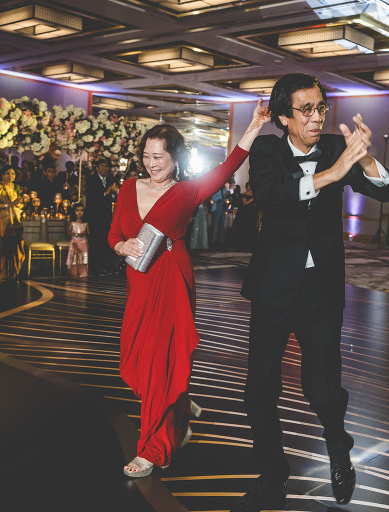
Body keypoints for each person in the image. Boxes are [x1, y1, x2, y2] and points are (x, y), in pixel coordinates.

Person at [234, 73, 389, 512]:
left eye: (321, 107)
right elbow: (270, 195)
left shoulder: (334, 147)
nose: (316, 117)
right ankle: (273, 474)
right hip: (273, 289)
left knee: (322, 388)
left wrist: (365, 160)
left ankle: (339, 448)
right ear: (283, 117)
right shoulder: (267, 150)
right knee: (259, 389)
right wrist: (334, 173)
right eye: (305, 109)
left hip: (320, 290)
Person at [108, 99, 269, 478]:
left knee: (160, 364)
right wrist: (121, 246)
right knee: (141, 360)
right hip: (138, 284)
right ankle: (179, 413)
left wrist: (254, 126)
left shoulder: (187, 191)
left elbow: (229, 166)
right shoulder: (128, 187)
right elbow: (113, 233)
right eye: (146, 156)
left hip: (171, 281)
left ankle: (152, 449)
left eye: (158, 157)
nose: (151, 163)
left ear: (175, 158)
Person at [0, 165, 25, 282]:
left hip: (15, 219)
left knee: (16, 244)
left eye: (13, 174)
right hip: (2, 220)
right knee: (2, 245)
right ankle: (1, 273)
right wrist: (9, 205)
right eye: (8, 173)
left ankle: (14, 272)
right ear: (3, 175)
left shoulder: (16, 187)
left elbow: (20, 202)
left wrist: (20, 203)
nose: (11, 176)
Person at [86, 157, 119, 275]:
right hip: (95, 216)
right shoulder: (91, 180)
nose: (104, 168)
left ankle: (106, 267)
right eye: (102, 166)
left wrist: (114, 193)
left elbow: (113, 198)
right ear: (97, 168)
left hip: (107, 216)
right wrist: (106, 192)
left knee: (106, 242)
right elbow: (92, 198)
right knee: (95, 242)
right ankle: (95, 269)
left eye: (106, 166)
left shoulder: (111, 179)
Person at [228, 181, 257, 250]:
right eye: (248, 186)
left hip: (252, 213)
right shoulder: (244, 194)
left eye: (250, 186)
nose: (249, 187)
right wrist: (252, 199)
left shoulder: (254, 194)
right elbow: (245, 203)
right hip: (245, 213)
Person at [66, 203, 89, 277]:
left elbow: (88, 232)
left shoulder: (85, 223)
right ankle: (74, 272)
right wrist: (75, 234)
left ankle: (83, 272)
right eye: (77, 210)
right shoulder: (73, 223)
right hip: (75, 242)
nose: (80, 212)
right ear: (74, 212)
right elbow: (69, 232)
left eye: (81, 210)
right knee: (75, 257)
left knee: (83, 256)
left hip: (83, 242)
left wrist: (84, 233)